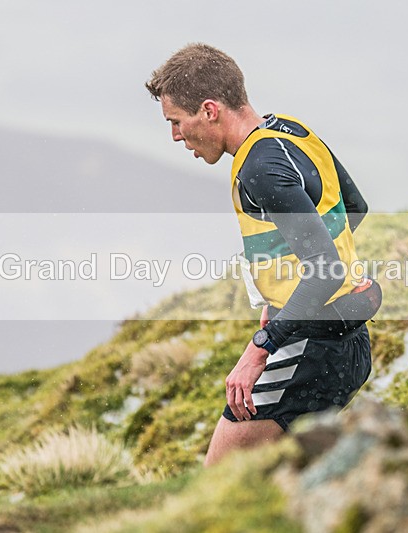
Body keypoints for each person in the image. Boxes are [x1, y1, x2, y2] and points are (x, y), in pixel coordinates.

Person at [145, 43, 381, 466]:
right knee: (288, 489)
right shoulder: (292, 131)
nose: (176, 137)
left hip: (311, 351)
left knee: (219, 485)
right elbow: (354, 210)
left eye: (177, 123)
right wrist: (286, 296)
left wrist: (260, 348)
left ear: (210, 110)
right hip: (345, 342)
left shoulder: (257, 167)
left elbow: (324, 270)